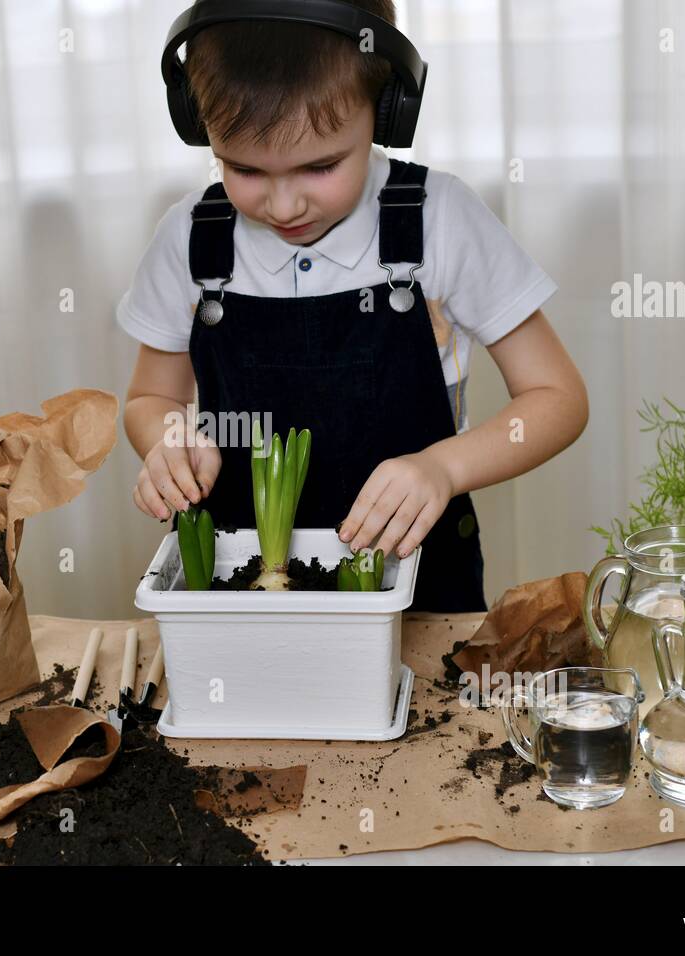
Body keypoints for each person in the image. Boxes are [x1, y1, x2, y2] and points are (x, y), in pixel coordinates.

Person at [117, 0, 588, 612]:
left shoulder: (439, 219)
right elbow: (150, 400)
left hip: (420, 590)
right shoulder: (189, 236)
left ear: (387, 109)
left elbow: (558, 399)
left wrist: (442, 469)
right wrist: (171, 441)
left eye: (320, 166)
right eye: (243, 168)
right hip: (245, 600)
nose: (284, 206)